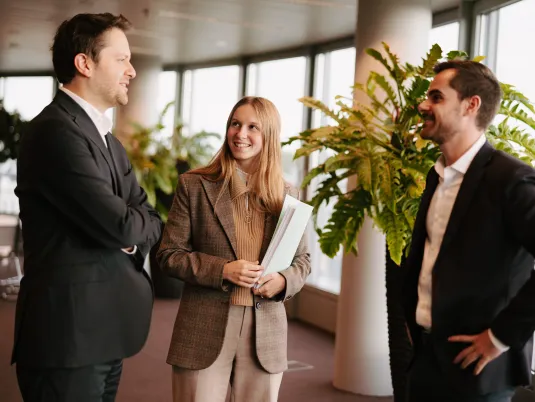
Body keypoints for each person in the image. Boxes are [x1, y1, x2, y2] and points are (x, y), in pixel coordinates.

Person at [13, 13, 162, 402]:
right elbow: (122, 225)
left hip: (103, 330)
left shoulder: (107, 140)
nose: (132, 70)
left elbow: (148, 216)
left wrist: (130, 231)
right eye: (122, 59)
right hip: (68, 337)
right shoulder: (55, 132)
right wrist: (129, 234)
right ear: (84, 63)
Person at [157, 96, 311, 402]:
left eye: (253, 127)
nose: (240, 134)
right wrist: (223, 270)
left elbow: (302, 261)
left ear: (269, 136)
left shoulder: (288, 195)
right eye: (235, 124)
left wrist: (282, 281)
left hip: (264, 333)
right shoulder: (195, 185)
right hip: (203, 326)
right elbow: (168, 255)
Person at [402, 59, 535, 402]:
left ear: (470, 105)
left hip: (477, 369)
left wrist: (500, 337)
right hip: (426, 356)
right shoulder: (437, 176)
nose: (423, 105)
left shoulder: (511, 179)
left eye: (436, 97)